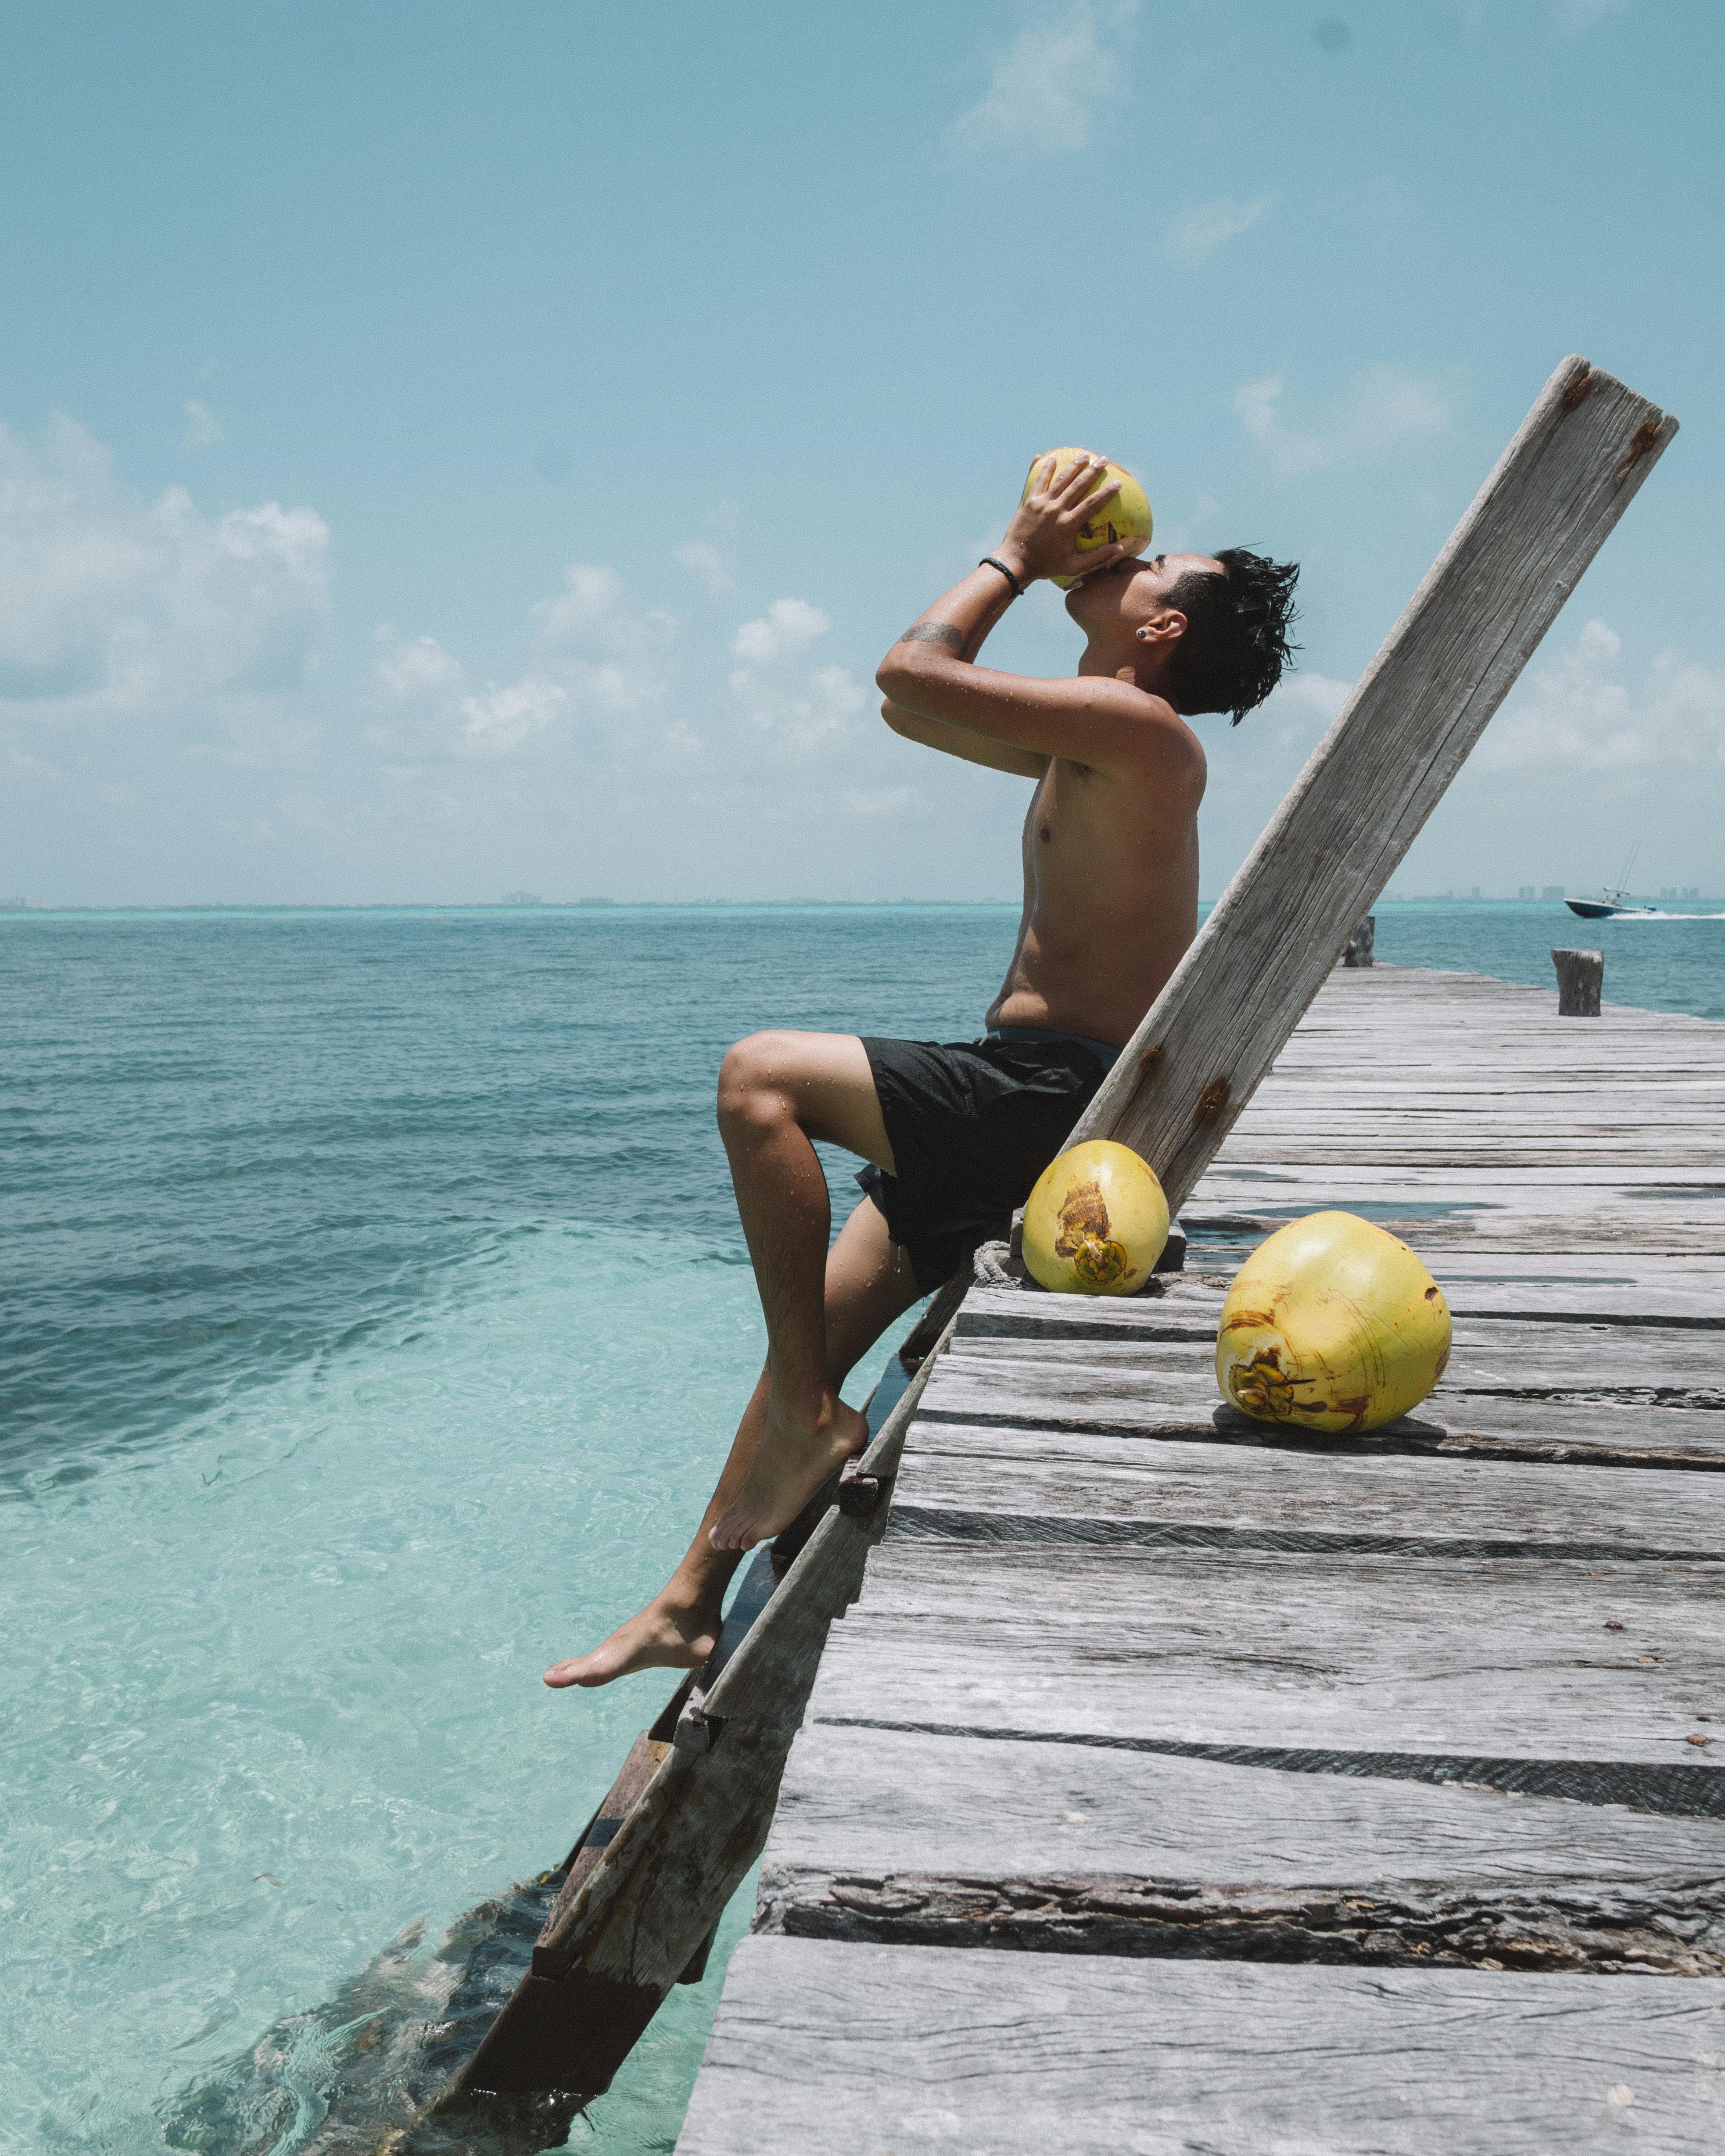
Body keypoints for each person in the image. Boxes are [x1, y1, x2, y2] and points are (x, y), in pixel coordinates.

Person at [545, 452, 1298, 1690]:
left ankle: (802, 1418)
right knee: (810, 1340)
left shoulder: (1141, 731)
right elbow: (909, 706)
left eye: (1153, 563)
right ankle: (689, 1597)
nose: (1127, 555)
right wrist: (1047, 569)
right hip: (1019, 1081)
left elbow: (909, 669)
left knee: (759, 1081)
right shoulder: (1093, 735)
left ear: (1160, 628)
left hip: (1058, 1101)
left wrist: (1014, 553)